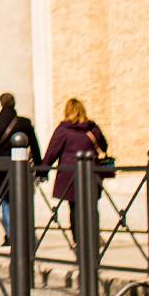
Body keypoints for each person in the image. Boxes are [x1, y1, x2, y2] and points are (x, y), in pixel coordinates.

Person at [41, 97, 110, 243]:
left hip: (70, 175)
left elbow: (52, 152)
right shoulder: (93, 128)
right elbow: (104, 146)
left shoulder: (63, 130)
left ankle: (78, 239)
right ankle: (93, 237)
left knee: (74, 207)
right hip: (92, 173)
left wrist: (42, 170)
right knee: (92, 207)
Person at [0, 92, 40, 245]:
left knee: (6, 202)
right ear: (14, 104)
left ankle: (11, 235)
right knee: (23, 200)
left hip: (1, 168)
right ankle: (26, 233)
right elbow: (34, 146)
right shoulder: (24, 123)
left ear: (1, 104)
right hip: (22, 167)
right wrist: (41, 169)